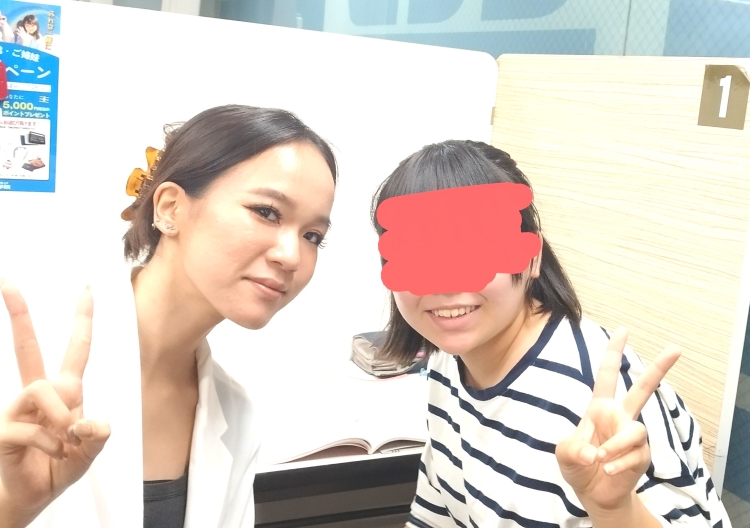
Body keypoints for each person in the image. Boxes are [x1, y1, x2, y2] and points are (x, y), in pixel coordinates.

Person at [0, 104, 337, 528]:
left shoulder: (236, 413)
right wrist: (14, 508)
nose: (291, 256)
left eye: (312, 236)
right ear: (170, 208)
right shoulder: (24, 364)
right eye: (266, 212)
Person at [370, 140, 729, 527]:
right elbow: (435, 515)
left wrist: (615, 511)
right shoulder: (447, 358)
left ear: (533, 256)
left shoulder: (596, 390)